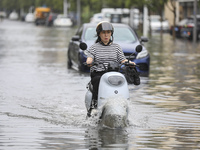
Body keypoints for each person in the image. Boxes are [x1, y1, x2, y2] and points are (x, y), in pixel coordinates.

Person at [86, 21, 139, 117]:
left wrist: (130, 63)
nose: (106, 35)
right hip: (99, 74)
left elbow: (122, 60)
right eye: (103, 32)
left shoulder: (117, 47)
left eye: (108, 32)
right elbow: (90, 58)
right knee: (97, 80)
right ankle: (94, 107)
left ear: (111, 33)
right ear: (99, 34)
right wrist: (89, 61)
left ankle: (124, 106)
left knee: (124, 80)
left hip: (114, 74)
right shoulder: (94, 47)